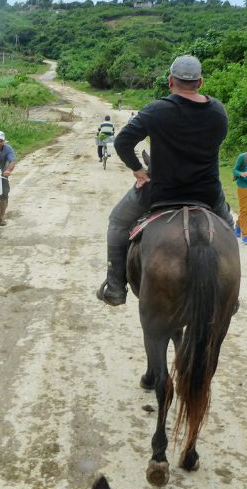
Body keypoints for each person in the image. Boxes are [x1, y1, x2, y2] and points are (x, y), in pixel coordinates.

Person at [96, 54, 233, 306]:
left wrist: (138, 169)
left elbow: (123, 141)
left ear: (170, 81)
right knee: (228, 229)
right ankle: (230, 296)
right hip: (208, 193)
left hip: (161, 192)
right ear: (200, 82)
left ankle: (115, 287)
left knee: (117, 222)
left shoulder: (157, 110)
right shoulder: (218, 111)